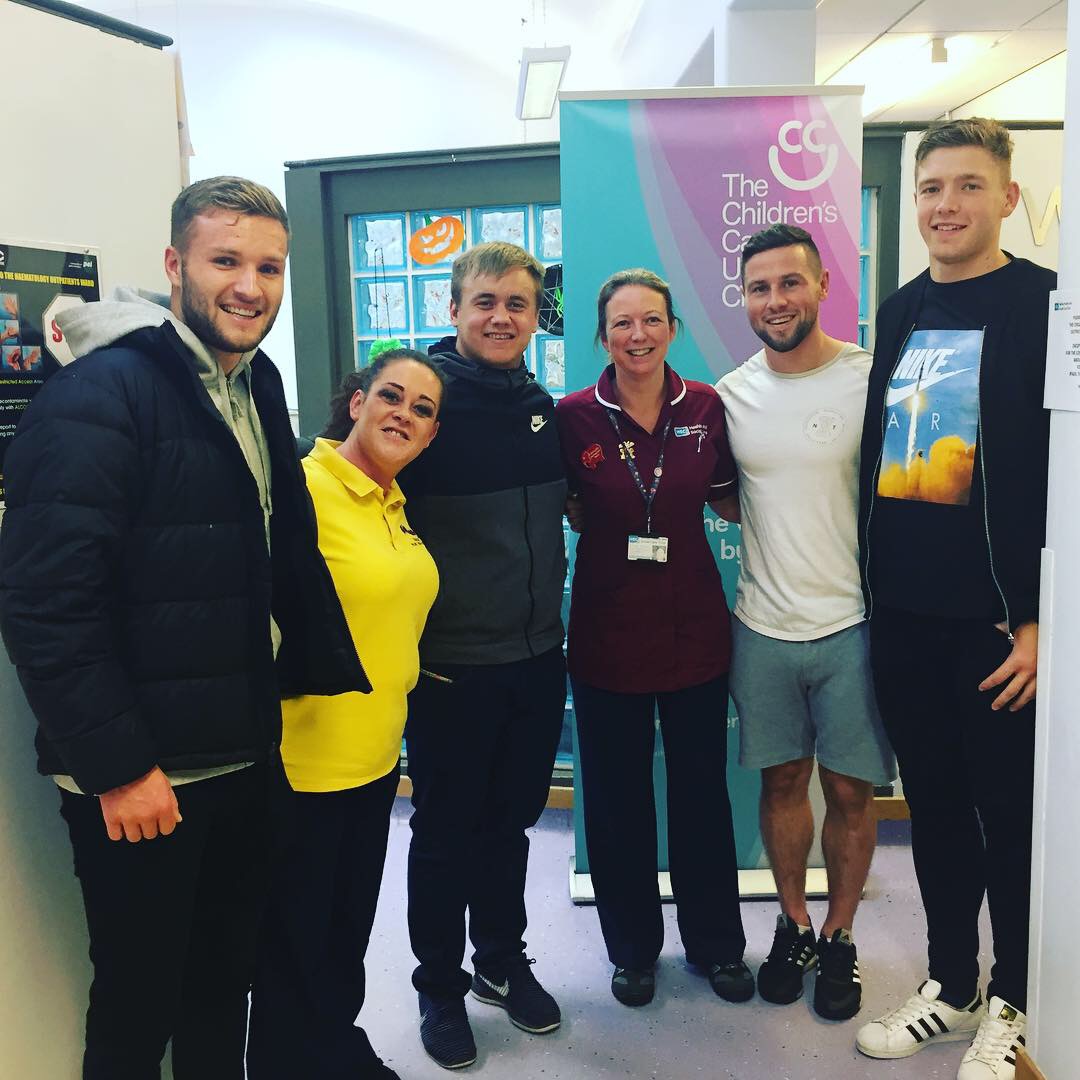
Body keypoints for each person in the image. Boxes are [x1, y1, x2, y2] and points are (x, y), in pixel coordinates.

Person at [0, 176, 367, 1080]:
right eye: (226, 261)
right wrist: (120, 767)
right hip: (143, 779)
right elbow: (47, 601)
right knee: (136, 1004)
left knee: (220, 988)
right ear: (174, 266)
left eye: (268, 267)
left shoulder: (258, 381)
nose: (251, 286)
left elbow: (275, 551)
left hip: (241, 755)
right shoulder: (100, 395)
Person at [854, 119, 1053, 1080]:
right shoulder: (897, 311)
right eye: (931, 187)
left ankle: (1018, 998)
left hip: (997, 628)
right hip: (904, 615)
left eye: (968, 186)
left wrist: (1046, 616)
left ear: (1008, 197)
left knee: (1008, 817)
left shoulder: (1050, 307)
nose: (944, 205)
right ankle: (951, 981)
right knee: (931, 808)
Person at [714, 225, 896, 1022]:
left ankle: (842, 933)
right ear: (744, 299)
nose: (776, 300)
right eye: (760, 287)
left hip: (855, 625)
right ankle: (793, 928)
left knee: (852, 792)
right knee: (783, 781)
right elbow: (724, 491)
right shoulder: (730, 394)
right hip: (763, 625)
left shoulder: (871, 379)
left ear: (824, 285)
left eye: (790, 283)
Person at [248, 349, 444, 1080]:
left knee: (342, 936)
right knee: (290, 946)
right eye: (391, 396)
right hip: (302, 763)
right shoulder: (300, 486)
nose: (404, 413)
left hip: (373, 765)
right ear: (356, 400)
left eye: (422, 409)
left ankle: (334, 1044)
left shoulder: (396, 504)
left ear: (431, 437)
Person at [557, 268, 749, 1009]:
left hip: (695, 630)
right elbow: (571, 509)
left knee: (702, 795)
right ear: (602, 335)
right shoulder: (572, 417)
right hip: (606, 635)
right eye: (622, 323)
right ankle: (632, 950)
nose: (637, 335)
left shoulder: (707, 406)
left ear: (673, 328)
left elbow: (732, 495)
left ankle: (716, 946)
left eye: (651, 320)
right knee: (616, 800)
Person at [399, 241, 568, 1070]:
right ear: (454, 310)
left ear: (537, 316)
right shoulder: (422, 406)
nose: (502, 318)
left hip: (537, 658)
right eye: (485, 302)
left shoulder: (541, 405)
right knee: (443, 832)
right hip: (451, 664)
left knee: (511, 825)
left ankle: (501, 959)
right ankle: (439, 983)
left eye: (518, 305)